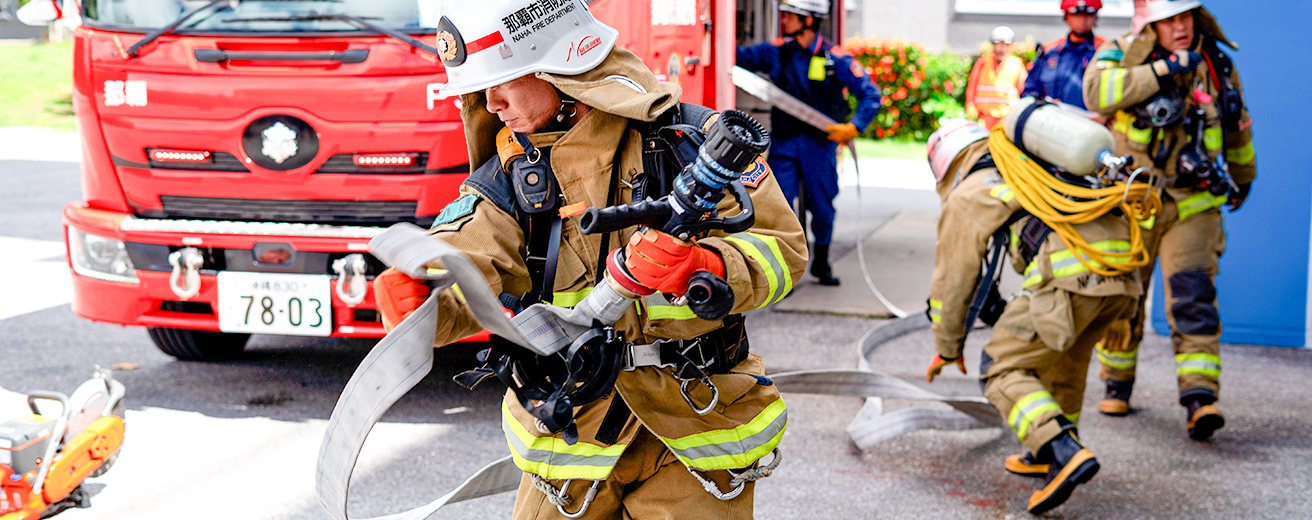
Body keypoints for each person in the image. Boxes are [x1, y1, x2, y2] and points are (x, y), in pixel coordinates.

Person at [371, 1, 807, 518]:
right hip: (571, 442)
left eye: (504, 81)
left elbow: (782, 247)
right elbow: (470, 252)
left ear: (558, 67)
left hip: (696, 430)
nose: (492, 103)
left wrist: (706, 267)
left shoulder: (694, 143)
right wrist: (425, 293)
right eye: (480, 91)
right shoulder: (510, 177)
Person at [924, 111, 1155, 515]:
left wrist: (947, 345)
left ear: (947, 163)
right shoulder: (1039, 168)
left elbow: (954, 280)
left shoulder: (972, 191)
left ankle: (1063, 450)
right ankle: (1047, 459)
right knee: (1063, 363)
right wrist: (1125, 315)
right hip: (1122, 278)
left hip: (1070, 280)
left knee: (1001, 366)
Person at [1083, 0, 1255, 441]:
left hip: (1193, 202)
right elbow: (1096, 95)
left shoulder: (1217, 64)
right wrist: (1163, 71)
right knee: (1123, 296)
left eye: (1186, 17)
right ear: (1152, 24)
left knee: (1193, 296)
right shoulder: (1120, 52)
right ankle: (1116, 384)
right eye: (1169, 20)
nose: (1180, 27)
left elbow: (1236, 126)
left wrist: (1243, 177)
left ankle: (1200, 399)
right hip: (1133, 200)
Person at [735, 0, 881, 286]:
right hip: (785, 145)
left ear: (809, 20)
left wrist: (854, 126)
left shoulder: (833, 58)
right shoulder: (777, 51)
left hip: (819, 146)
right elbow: (737, 55)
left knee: (822, 208)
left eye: (790, 15)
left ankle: (822, 263)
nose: (784, 20)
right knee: (779, 208)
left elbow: (871, 94)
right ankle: (786, 273)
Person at [1023, 0, 1106, 111]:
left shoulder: (1106, 53)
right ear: (1066, 16)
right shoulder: (1049, 52)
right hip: (1050, 123)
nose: (1082, 20)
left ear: (1095, 17)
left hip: (1091, 125)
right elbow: (1029, 92)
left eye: (1088, 15)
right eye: (1076, 15)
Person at [965, 26, 1028, 129]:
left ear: (1010, 46)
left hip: (1006, 117)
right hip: (983, 117)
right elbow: (972, 85)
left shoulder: (1016, 64)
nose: (1001, 49)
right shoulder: (983, 61)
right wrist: (970, 105)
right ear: (993, 45)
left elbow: (1023, 91)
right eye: (998, 45)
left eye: (1005, 45)